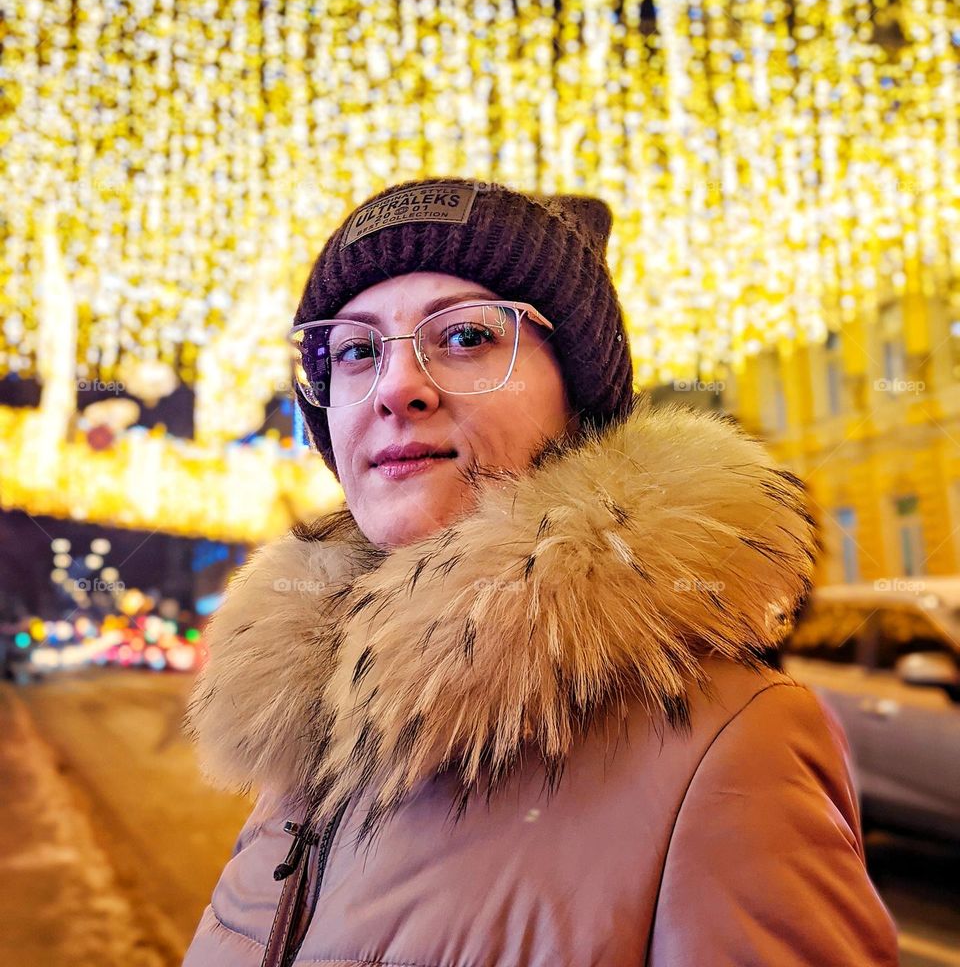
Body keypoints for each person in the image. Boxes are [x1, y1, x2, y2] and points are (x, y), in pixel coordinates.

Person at [183, 177, 900, 967]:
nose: (395, 388)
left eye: (466, 338)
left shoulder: (732, 746)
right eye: (355, 350)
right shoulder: (313, 723)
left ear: (580, 403)